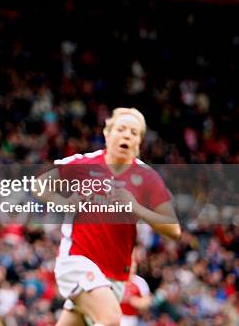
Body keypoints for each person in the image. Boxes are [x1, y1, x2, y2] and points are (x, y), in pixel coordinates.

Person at [39, 108, 180, 326]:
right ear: (108, 133)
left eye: (133, 132)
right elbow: (40, 185)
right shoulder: (84, 164)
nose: (126, 135)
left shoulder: (148, 177)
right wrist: (63, 202)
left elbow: (173, 229)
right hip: (76, 261)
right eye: (121, 129)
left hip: (114, 275)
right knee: (111, 319)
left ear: (139, 142)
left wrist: (137, 208)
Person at [119, 257, 152, 326]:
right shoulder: (118, 279)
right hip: (116, 314)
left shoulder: (140, 281)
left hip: (131, 317)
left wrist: (136, 301)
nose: (132, 268)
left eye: (133, 266)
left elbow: (147, 301)